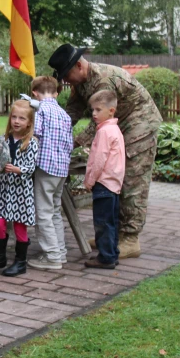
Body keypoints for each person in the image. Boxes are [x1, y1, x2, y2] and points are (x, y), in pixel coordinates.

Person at [48, 44, 162, 259]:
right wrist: (53, 134)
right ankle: (112, 236)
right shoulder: (80, 83)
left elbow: (96, 123)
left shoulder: (102, 80)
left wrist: (72, 143)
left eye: (66, 75)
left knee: (131, 179)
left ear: (79, 66)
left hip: (139, 123)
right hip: (116, 126)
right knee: (113, 178)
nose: (66, 80)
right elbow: (71, 113)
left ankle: (130, 238)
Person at [0, 99, 39, 277]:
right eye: (14, 117)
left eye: (21, 118)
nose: (16, 121)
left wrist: (18, 169)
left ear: (29, 122)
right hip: (5, 189)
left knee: (19, 226)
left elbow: (32, 166)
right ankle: (0, 258)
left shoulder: (31, 142)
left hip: (21, 191)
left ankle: (20, 261)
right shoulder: (4, 139)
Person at [27, 77, 74, 271]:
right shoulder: (64, 114)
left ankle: (52, 256)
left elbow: (35, 136)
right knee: (55, 211)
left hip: (45, 168)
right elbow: (70, 142)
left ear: (34, 93)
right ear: (56, 93)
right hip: (62, 169)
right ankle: (60, 252)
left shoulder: (40, 111)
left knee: (43, 213)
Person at [83, 90, 126, 269]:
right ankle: (112, 253)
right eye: (92, 110)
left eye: (98, 110)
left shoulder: (104, 132)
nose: (94, 114)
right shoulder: (115, 129)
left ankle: (105, 257)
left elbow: (99, 160)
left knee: (102, 223)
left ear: (111, 111)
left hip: (103, 184)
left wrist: (90, 181)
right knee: (111, 222)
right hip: (114, 185)